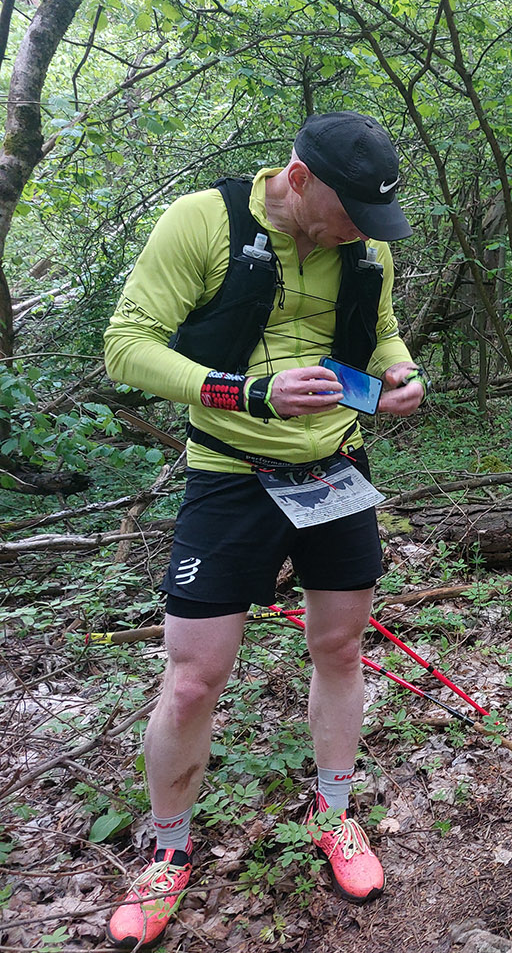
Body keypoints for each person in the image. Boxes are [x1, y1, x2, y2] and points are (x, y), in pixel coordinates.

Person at [102, 111, 425, 947]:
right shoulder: (203, 222)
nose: (362, 230)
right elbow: (126, 348)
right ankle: (167, 853)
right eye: (351, 212)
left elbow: (382, 327)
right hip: (230, 471)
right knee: (192, 677)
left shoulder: (365, 243)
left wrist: (397, 368)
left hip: (334, 468)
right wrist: (247, 393)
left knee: (341, 647)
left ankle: (334, 809)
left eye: (374, 217)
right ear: (301, 178)